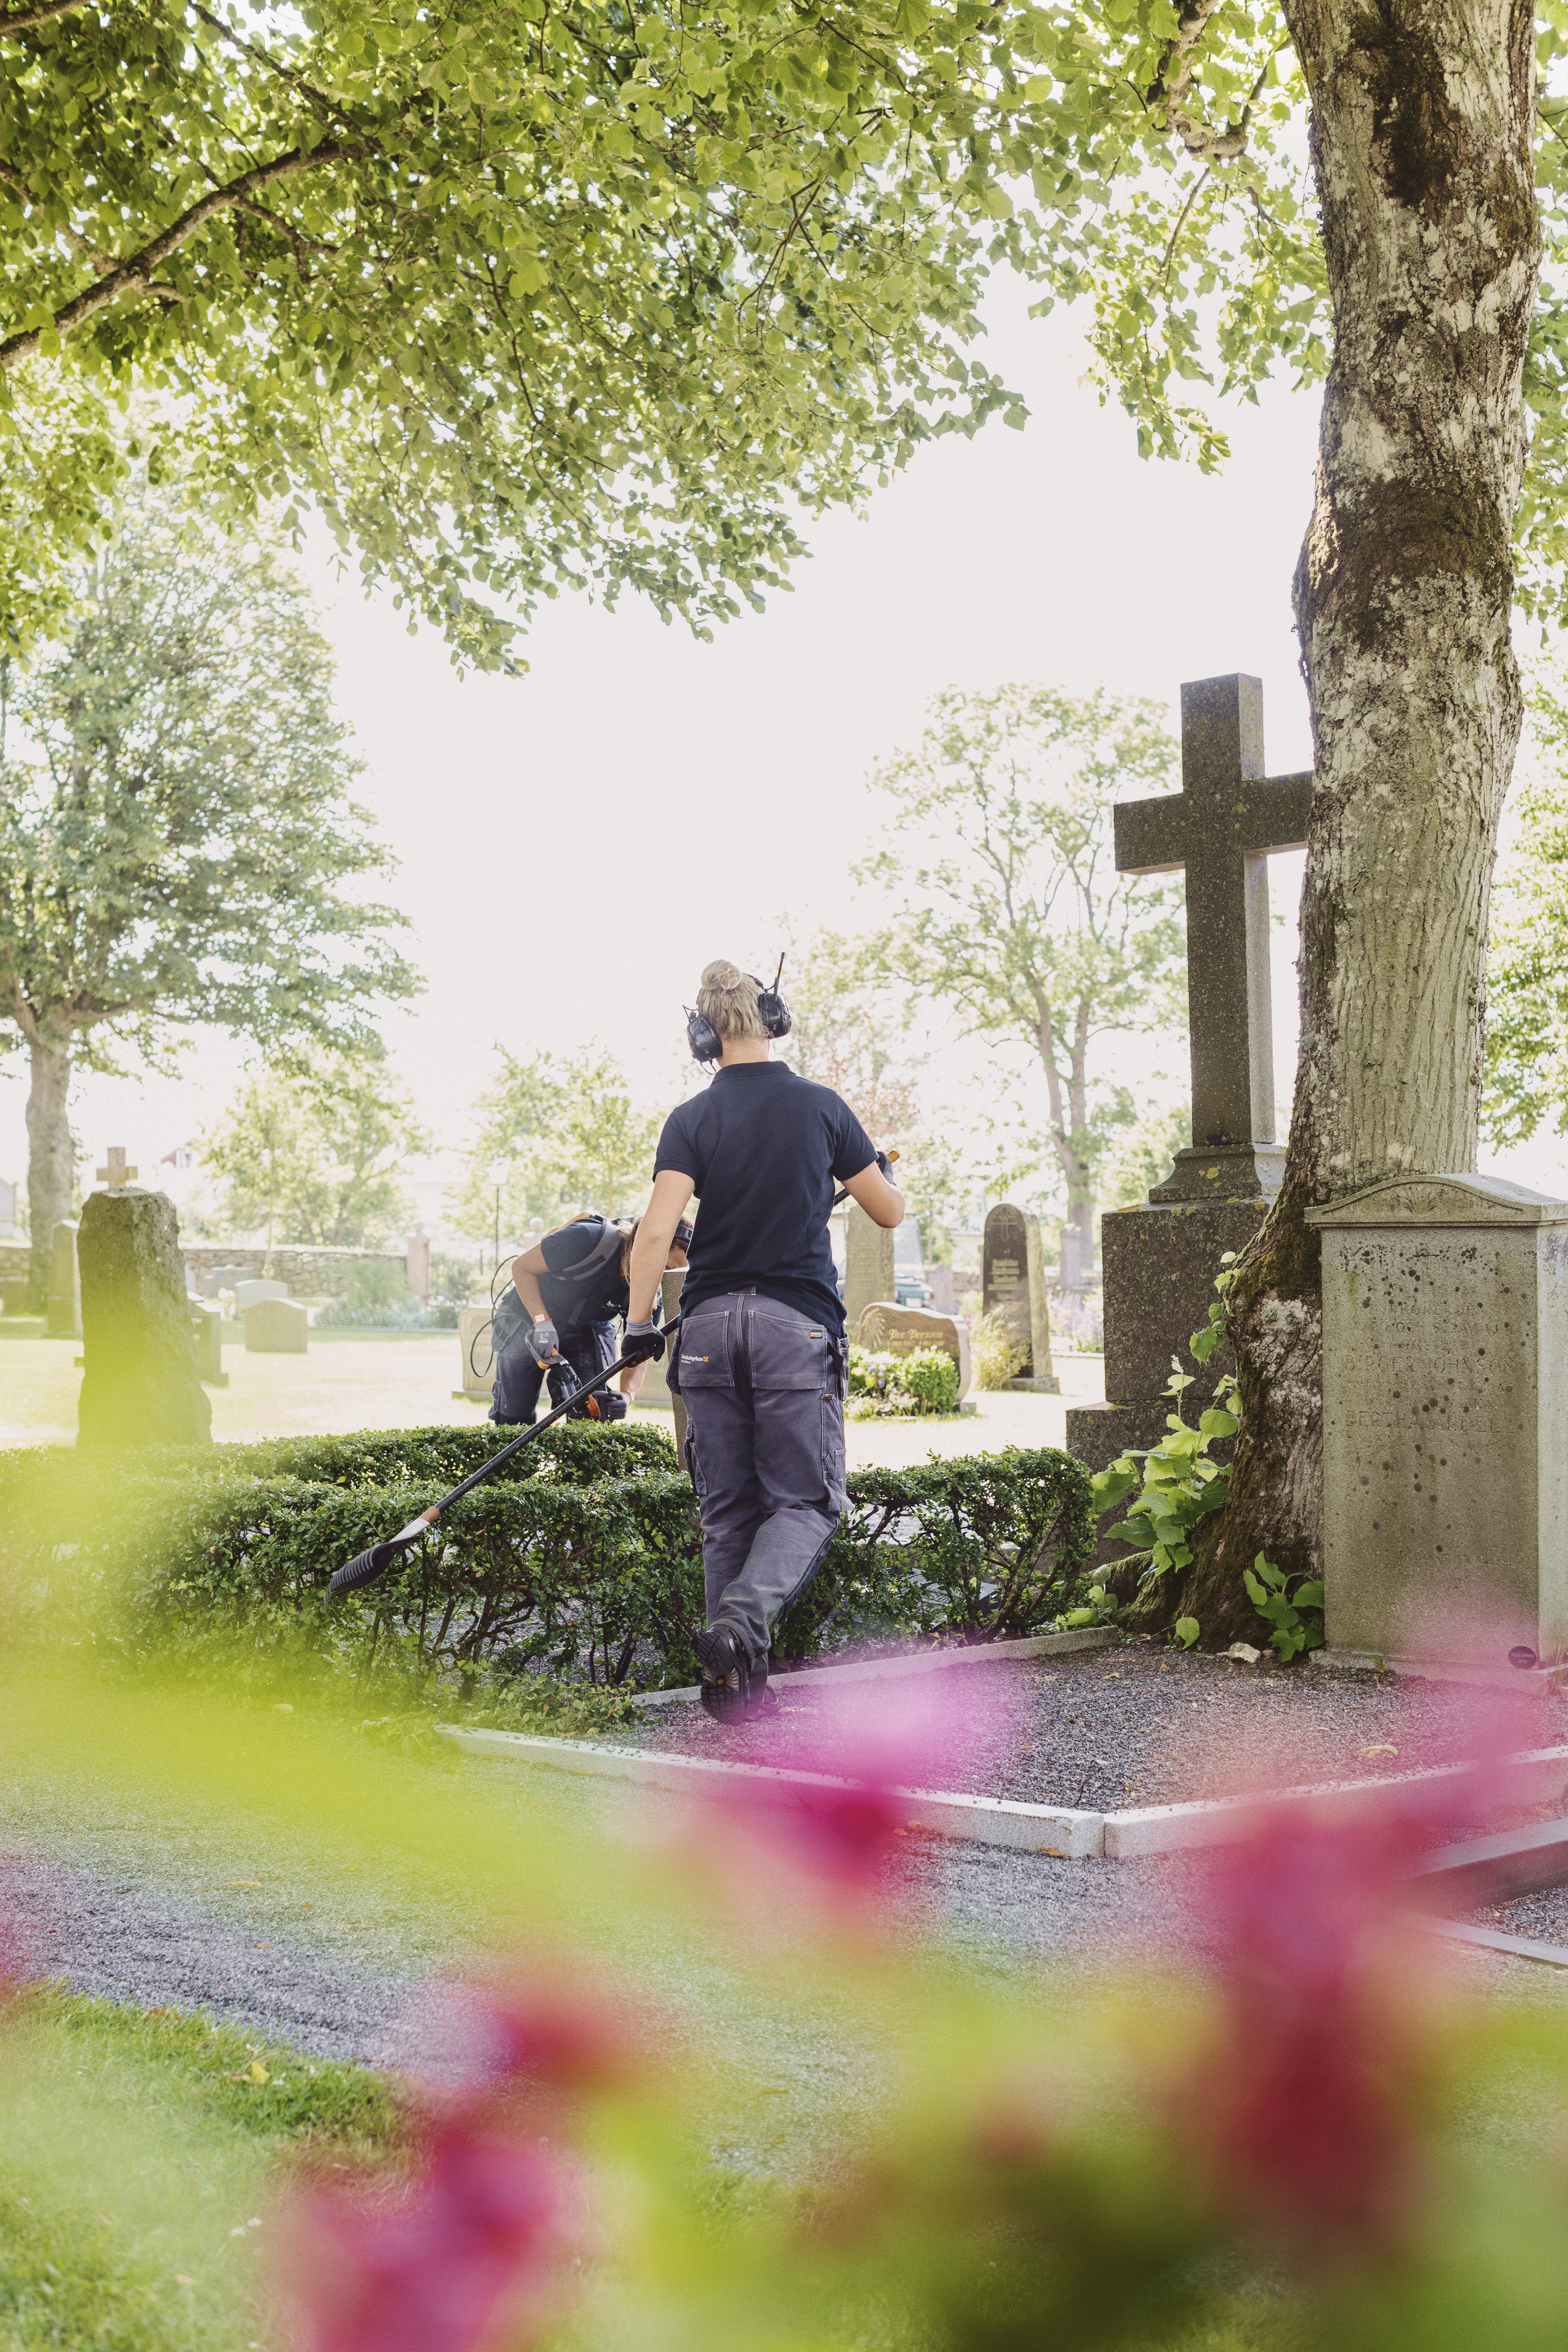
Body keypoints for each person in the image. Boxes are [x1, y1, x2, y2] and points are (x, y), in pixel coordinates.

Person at [621, 958, 904, 1722]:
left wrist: (638, 1327)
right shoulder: (821, 1107)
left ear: (702, 1034)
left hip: (708, 1328)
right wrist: (869, 1169)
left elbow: (654, 1230)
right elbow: (888, 1211)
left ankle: (734, 1687)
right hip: (793, 1324)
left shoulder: (690, 1119)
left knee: (728, 1511)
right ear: (770, 1019)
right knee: (808, 1503)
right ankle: (739, 1625)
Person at [491, 1212, 691, 1426]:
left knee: (594, 1416)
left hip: (588, 1328)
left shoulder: (652, 1294)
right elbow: (522, 1268)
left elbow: (639, 1351)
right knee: (513, 1415)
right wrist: (542, 1322)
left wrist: (627, 1395)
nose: (663, 1276)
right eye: (667, 1267)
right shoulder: (586, 1238)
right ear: (645, 1243)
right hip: (529, 1316)